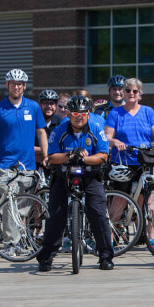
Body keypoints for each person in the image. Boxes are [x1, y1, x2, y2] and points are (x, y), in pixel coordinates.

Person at [0, 69, 48, 258]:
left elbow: (41, 132)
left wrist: (46, 155)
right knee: (9, 205)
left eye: (20, 84)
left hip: (28, 165)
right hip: (7, 165)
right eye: (13, 83)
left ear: (24, 86)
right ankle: (10, 244)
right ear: (7, 85)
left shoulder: (33, 107)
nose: (16, 86)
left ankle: (18, 241)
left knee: (23, 206)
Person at [35, 95, 115, 271]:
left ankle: (105, 256)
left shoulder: (96, 128)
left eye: (83, 113)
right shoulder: (59, 130)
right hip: (63, 175)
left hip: (90, 174)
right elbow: (51, 157)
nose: (80, 116)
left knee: (98, 212)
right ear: (69, 114)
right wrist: (69, 156)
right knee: (56, 215)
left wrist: (86, 159)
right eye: (75, 113)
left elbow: (103, 155)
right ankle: (46, 257)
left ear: (88, 114)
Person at [105, 78, 154, 252]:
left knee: (146, 201)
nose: (131, 94)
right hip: (123, 161)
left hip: (143, 160)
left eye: (135, 91)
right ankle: (109, 239)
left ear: (140, 93)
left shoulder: (148, 112)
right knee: (119, 200)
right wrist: (115, 141)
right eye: (128, 91)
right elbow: (107, 137)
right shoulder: (115, 113)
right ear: (123, 93)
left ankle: (151, 237)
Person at [36, 89, 63, 166]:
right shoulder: (33, 122)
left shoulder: (60, 122)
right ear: (40, 104)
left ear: (56, 105)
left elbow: (63, 147)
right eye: (45, 103)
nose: (49, 106)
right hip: (35, 163)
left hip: (55, 163)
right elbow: (27, 147)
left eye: (52, 103)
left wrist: (40, 151)